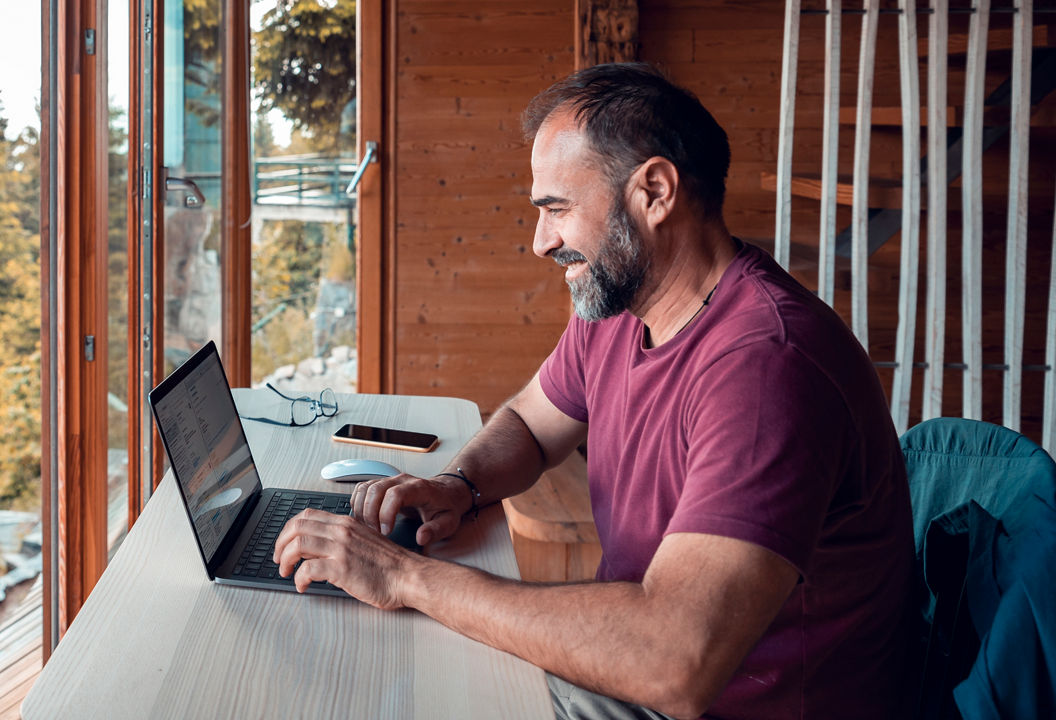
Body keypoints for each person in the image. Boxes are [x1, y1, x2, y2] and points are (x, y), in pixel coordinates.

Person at [273, 63, 914, 720]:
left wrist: (404, 575)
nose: (540, 241)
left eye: (557, 208)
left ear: (655, 192)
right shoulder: (620, 307)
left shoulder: (767, 366)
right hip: (639, 670)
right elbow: (529, 420)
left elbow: (675, 660)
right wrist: (459, 484)